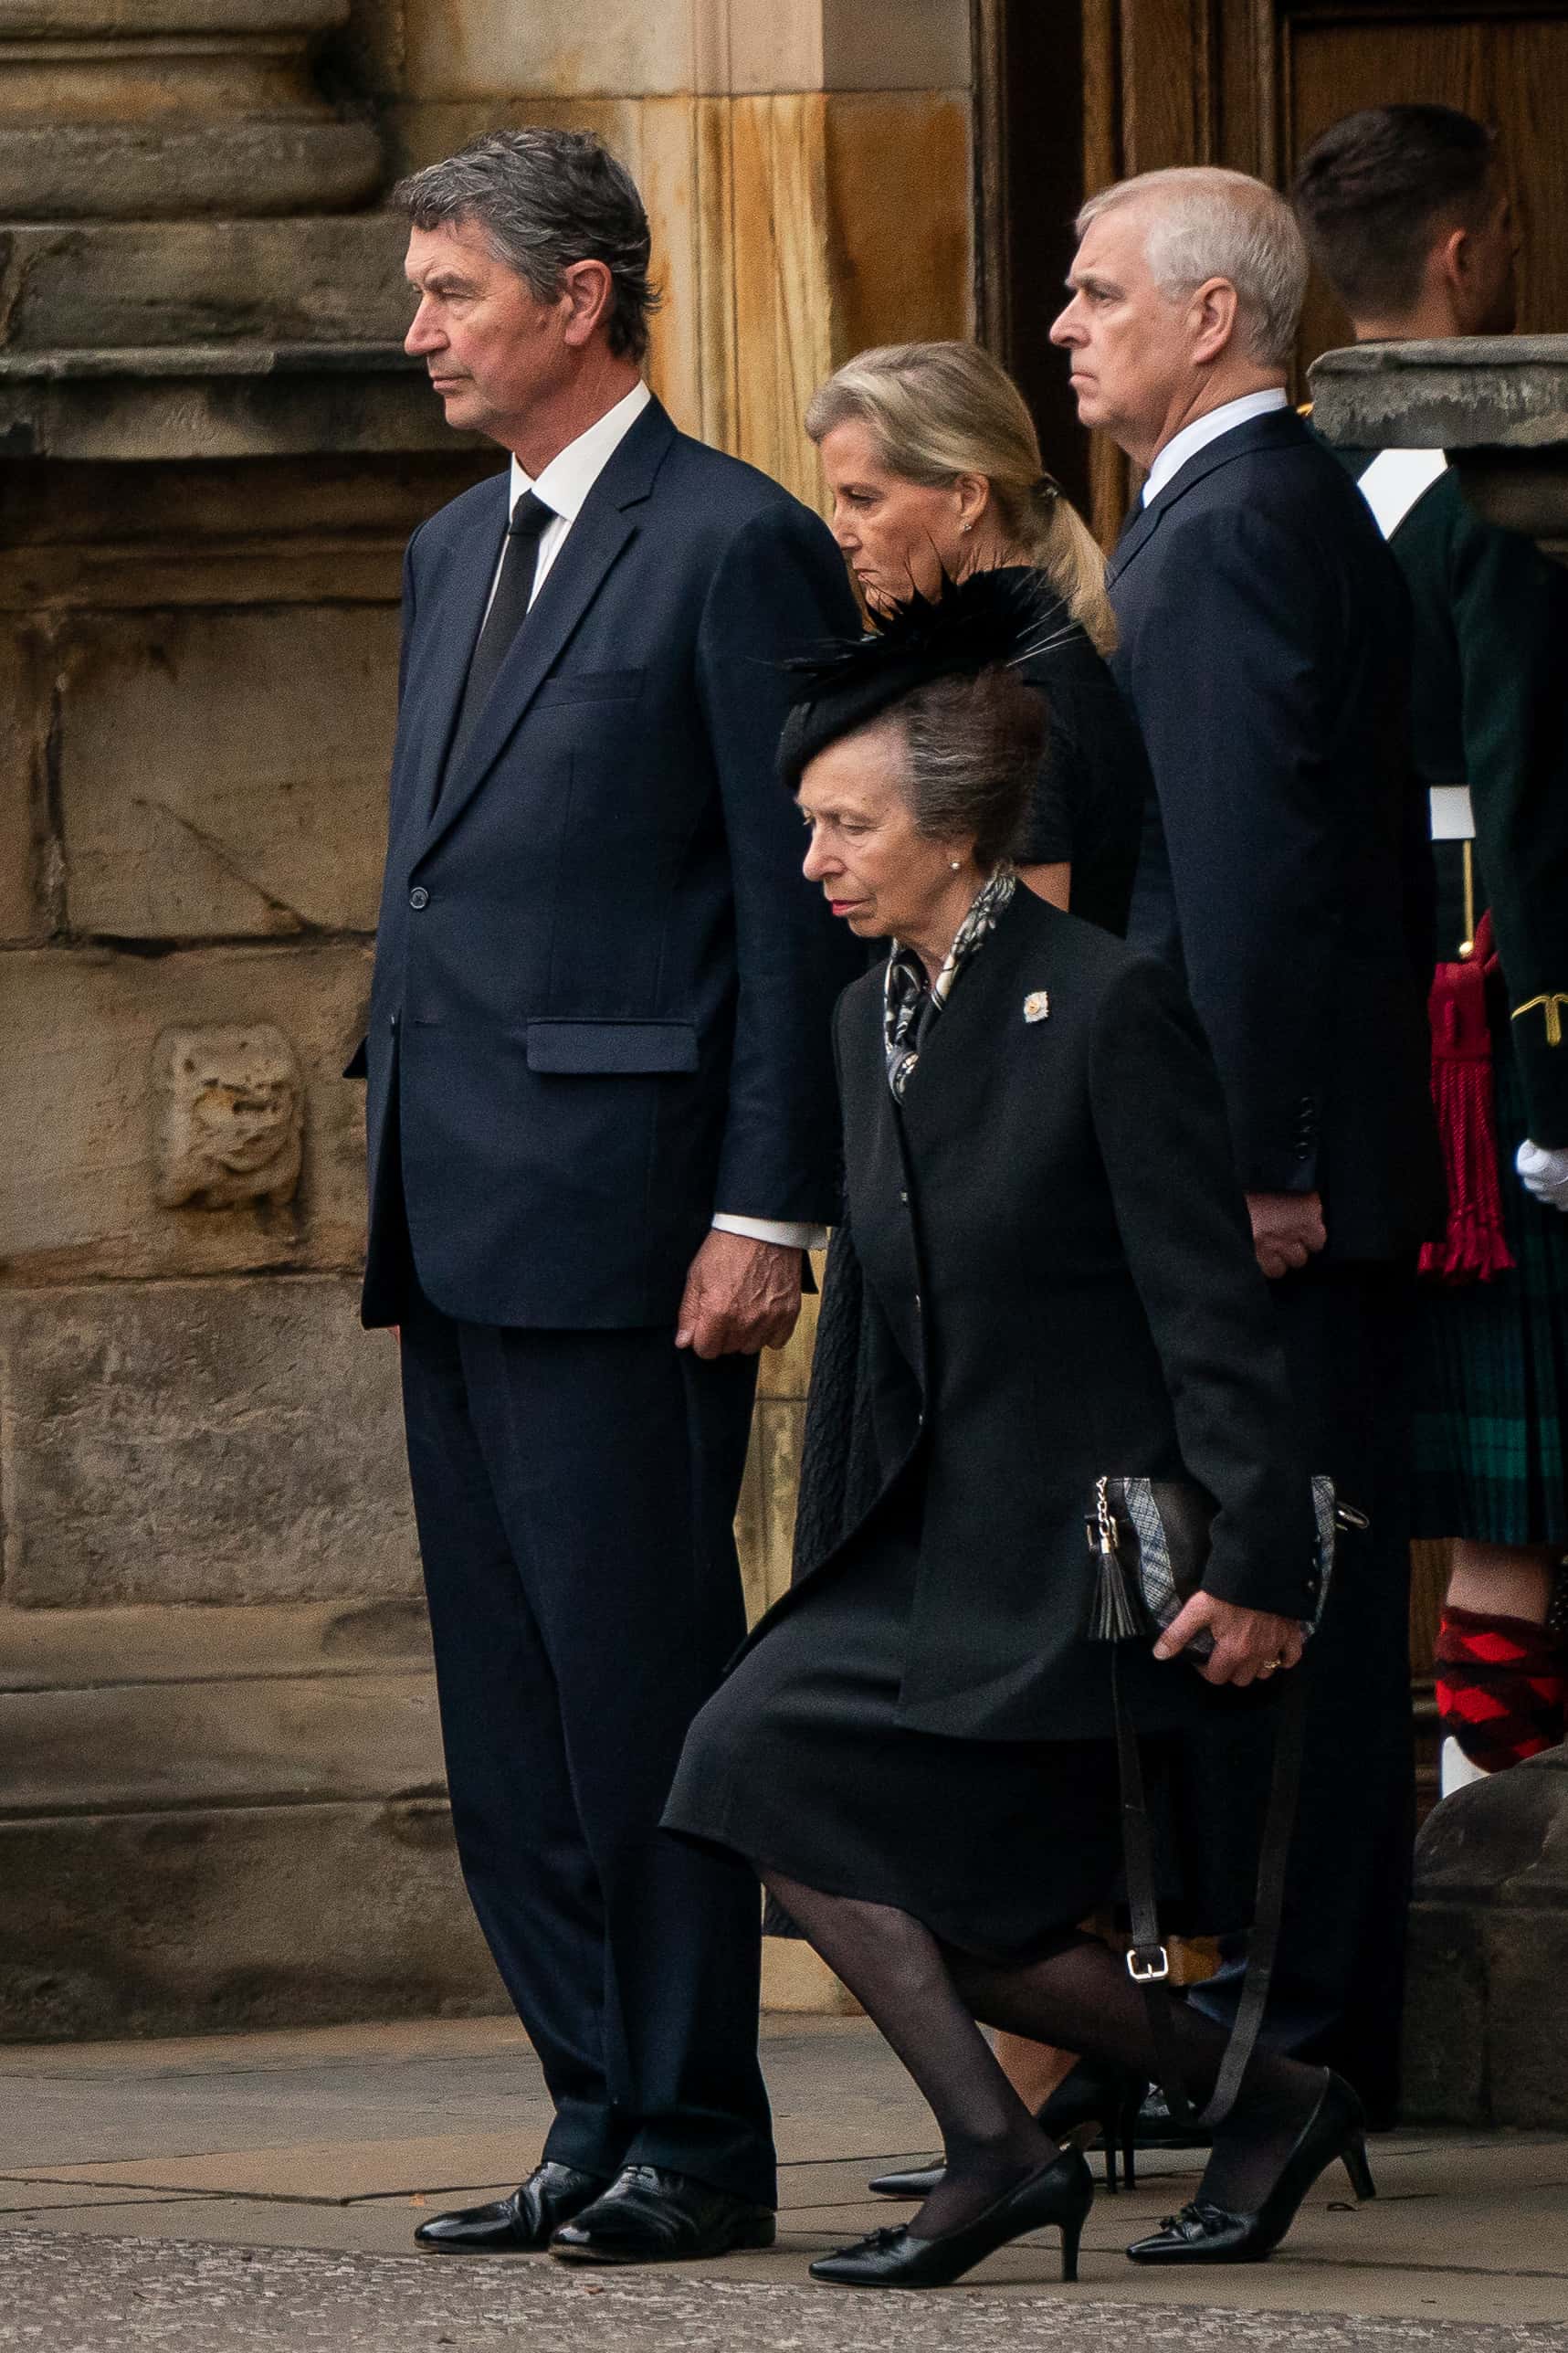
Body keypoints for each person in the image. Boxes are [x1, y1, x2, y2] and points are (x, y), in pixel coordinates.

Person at [663, 571, 1374, 2290]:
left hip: (1076, 1553)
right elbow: (882, 1346)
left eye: (847, 826)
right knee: (769, 1781)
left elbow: (1209, 1309)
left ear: (956, 828)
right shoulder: (865, 1017)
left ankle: (1032, 2144)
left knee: (816, 1809)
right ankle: (1221, 2100)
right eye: (808, 827)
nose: (816, 858)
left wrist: (1263, 1555)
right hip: (929, 1537)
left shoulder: (1102, 1000)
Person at [348, 127, 862, 2265]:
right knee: (508, 1715)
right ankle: (583, 2108)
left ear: (584, 297)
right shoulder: (450, 549)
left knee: (639, 1689)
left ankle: (695, 2134)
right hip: (452, 1202)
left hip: (638, 1220)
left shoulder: (736, 542)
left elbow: (788, 916)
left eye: (452, 290)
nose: (419, 331)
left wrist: (768, 1208)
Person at [1050, 165, 1442, 2126]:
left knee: (1290, 1611)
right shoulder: (1263, 507)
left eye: (1098, 291)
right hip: (1282, 1161)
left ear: (1213, 320)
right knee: (1283, 1604)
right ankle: (1270, 2042)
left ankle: (1290, 2056)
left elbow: (1254, 880)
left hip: (1268, 1183)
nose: (1063, 326)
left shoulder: (1222, 531)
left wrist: (1263, 1162)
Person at [1294, 105, 1568, 1788]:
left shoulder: (1272, 471)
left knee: (1463, 1498)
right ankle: (1498, 1888)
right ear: (1467, 253)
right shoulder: (1502, 486)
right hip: (1491, 1004)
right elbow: (1533, 795)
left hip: (1356, 1011)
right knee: (1512, 1509)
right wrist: (1548, 1078)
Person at [805, 340, 1150, 934]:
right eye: (836, 501)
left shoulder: (1014, 688)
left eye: (863, 500)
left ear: (967, 497)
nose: (839, 533)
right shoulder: (997, 660)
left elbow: (1025, 981)